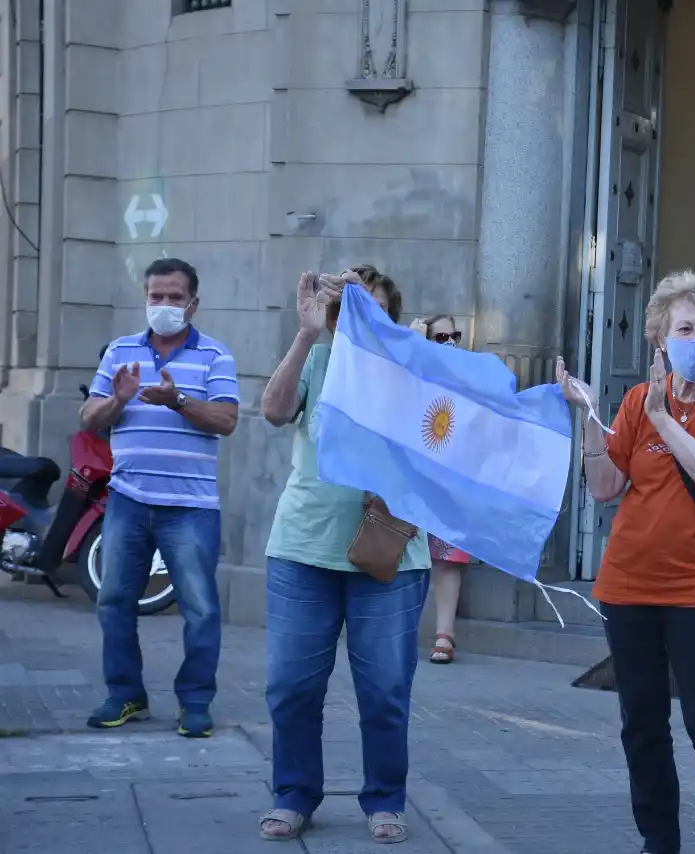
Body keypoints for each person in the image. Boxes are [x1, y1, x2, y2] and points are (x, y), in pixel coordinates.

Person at [556, 270, 695, 854]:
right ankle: (658, 842)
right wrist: (591, 417)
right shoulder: (635, 401)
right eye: (685, 328)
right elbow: (603, 485)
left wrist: (666, 417)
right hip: (629, 585)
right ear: (660, 340)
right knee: (641, 725)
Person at [257, 266, 430, 845]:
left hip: (388, 558)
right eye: (347, 309)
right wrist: (306, 333)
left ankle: (385, 799)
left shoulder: (414, 373)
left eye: (371, 309)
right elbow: (275, 411)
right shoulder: (317, 358)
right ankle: (294, 794)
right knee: (290, 686)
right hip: (304, 548)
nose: (358, 320)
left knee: (384, 689)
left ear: (390, 318)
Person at [81, 257, 239, 739]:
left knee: (200, 608)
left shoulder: (215, 355)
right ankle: (126, 694)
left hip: (190, 507)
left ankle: (194, 702)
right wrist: (120, 399)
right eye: (157, 296)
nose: (165, 305)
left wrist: (179, 401)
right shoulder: (120, 352)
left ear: (193, 302)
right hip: (129, 499)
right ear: (145, 298)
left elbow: (226, 421)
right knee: (114, 601)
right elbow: (90, 418)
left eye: (175, 297)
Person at [408, 313, 473, 665]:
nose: (449, 342)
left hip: (451, 482)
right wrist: (413, 347)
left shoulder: (465, 377)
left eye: (455, 335)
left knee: (449, 561)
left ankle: (445, 636)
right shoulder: (412, 373)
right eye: (440, 336)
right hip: (415, 481)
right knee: (407, 556)